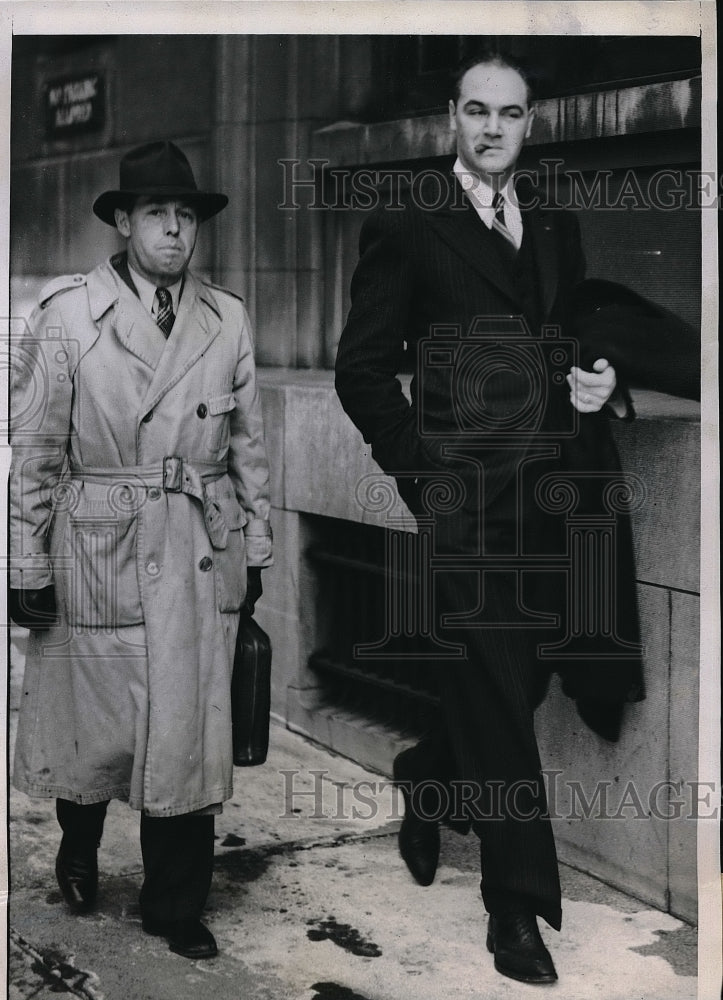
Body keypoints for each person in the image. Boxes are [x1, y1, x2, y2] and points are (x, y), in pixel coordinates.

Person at [335, 52, 647, 984]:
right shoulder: (406, 219)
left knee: (531, 679)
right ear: (451, 116)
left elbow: (576, 340)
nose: (491, 129)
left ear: (528, 122)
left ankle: (431, 775)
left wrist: (602, 380)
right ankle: (515, 911)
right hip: (470, 508)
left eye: (508, 115)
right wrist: (424, 474)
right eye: (476, 111)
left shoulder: (550, 213)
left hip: (566, 498)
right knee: (500, 702)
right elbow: (359, 368)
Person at [8, 140, 273, 960]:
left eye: (185, 215)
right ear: (123, 222)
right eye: (156, 213)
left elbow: (247, 444)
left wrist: (254, 545)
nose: (173, 230)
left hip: (197, 539)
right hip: (97, 537)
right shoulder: (67, 314)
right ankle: (79, 842)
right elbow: (37, 448)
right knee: (94, 728)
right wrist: (26, 560)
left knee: (190, 733)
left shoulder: (224, 316)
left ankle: (175, 903)